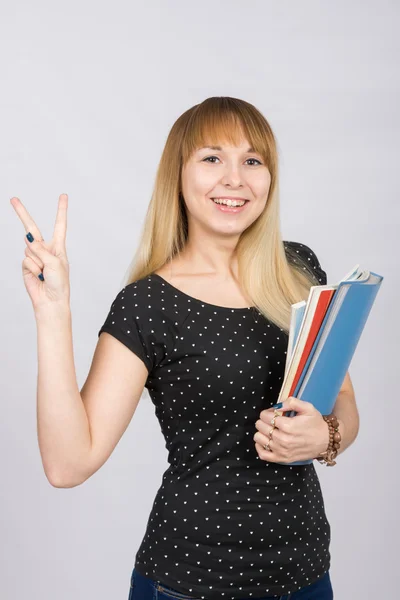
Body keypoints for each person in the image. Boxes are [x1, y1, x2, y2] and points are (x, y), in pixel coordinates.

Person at [11, 96, 359, 600]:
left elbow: (344, 402)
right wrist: (52, 314)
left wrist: (324, 439)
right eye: (212, 158)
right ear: (178, 175)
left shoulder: (298, 269)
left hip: (305, 574)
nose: (235, 179)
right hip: (189, 582)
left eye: (253, 160)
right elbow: (68, 464)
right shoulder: (148, 305)